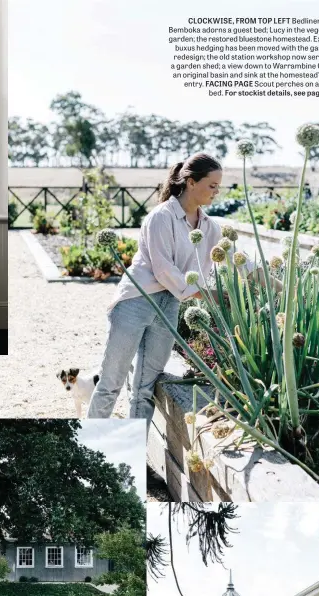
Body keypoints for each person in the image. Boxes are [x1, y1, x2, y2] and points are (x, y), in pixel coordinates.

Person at [86, 152, 255, 430]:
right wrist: (208, 294)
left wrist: (270, 281)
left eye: (218, 186)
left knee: (145, 388)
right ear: (190, 182)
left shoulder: (209, 226)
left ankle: (132, 457)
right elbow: (164, 271)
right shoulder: (161, 217)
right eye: (212, 185)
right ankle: (91, 448)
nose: (217, 192)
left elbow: (237, 256)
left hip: (170, 307)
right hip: (136, 302)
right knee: (110, 383)